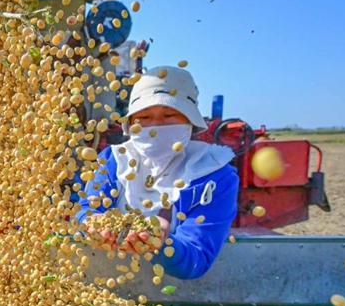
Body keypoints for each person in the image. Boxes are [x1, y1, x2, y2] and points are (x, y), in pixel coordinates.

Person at [76, 66, 239, 280]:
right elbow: (87, 207)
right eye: (143, 117)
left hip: (175, 292)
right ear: (131, 123)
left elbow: (197, 257)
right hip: (105, 280)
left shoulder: (214, 175)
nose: (154, 127)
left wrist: (161, 243)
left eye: (168, 114)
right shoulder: (115, 159)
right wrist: (90, 222)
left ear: (189, 121)